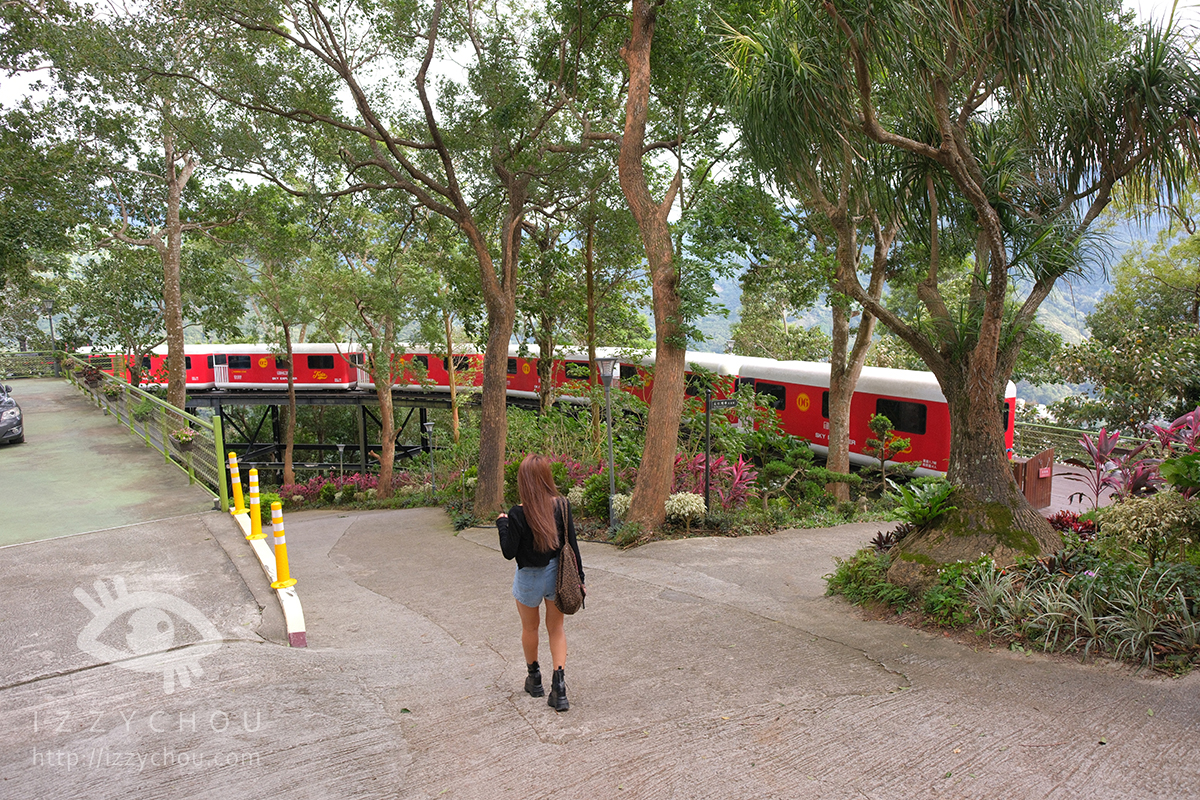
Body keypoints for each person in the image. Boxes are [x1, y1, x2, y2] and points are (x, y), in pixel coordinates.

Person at [496, 454, 584, 712]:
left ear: (523, 481)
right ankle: (560, 688)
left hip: (528, 579)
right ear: (546, 478)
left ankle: (534, 680)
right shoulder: (562, 506)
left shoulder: (516, 513)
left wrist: (502, 524)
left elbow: (508, 551)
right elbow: (572, 546)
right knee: (556, 629)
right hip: (555, 575)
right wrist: (580, 580)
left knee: (530, 629)